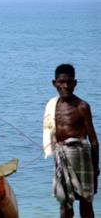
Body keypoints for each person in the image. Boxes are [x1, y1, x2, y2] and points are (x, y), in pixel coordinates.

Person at [43, 64, 99, 218]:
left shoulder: (82, 107)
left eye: (69, 82)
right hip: (61, 158)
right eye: (61, 82)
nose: (65, 86)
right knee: (65, 204)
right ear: (54, 83)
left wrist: (96, 170)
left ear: (75, 83)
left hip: (82, 157)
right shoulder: (52, 106)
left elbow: (94, 141)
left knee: (86, 203)